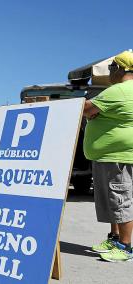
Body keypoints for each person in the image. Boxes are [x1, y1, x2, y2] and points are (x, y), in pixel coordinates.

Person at [83, 50, 133, 262]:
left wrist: (93, 112)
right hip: (112, 156)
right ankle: (114, 238)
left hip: (116, 157)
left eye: (112, 67)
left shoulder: (118, 91)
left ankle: (125, 246)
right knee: (115, 200)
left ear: (120, 69)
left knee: (120, 199)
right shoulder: (121, 92)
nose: (110, 72)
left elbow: (86, 108)